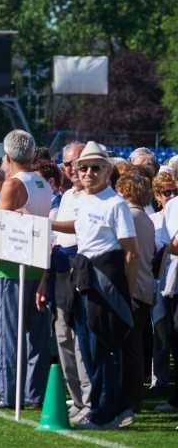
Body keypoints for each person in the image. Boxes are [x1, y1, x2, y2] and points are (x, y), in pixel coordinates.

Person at [53, 141, 139, 429]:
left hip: (104, 282)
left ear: (107, 171)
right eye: (84, 168)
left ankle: (104, 415)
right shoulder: (86, 200)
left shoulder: (115, 204)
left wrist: (127, 292)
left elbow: (131, 252)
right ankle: (120, 408)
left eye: (95, 168)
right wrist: (47, 223)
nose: (88, 172)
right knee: (88, 351)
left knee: (99, 349)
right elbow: (78, 226)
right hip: (83, 277)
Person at [0, 129, 52, 411]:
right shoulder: (43, 183)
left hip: (12, 267)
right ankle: (33, 393)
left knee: (7, 333)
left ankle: (8, 392)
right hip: (37, 264)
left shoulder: (13, 184)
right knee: (35, 336)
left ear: (7, 156)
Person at [42, 142, 92, 424]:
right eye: (68, 163)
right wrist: (45, 279)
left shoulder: (94, 196)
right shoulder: (67, 196)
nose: (71, 168)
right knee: (62, 336)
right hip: (60, 269)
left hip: (83, 271)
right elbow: (57, 240)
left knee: (81, 338)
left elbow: (77, 226)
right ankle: (78, 399)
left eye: (77, 162)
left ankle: (89, 399)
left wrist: (43, 223)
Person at [116, 173, 155, 414]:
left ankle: (130, 399)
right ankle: (132, 399)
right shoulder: (146, 218)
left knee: (129, 348)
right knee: (134, 346)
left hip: (132, 288)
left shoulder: (128, 216)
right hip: (143, 286)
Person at [150, 171, 178, 392]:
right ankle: (159, 380)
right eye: (166, 192)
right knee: (160, 332)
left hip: (174, 278)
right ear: (157, 196)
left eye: (175, 191)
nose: (171, 196)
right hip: (161, 279)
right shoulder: (153, 220)